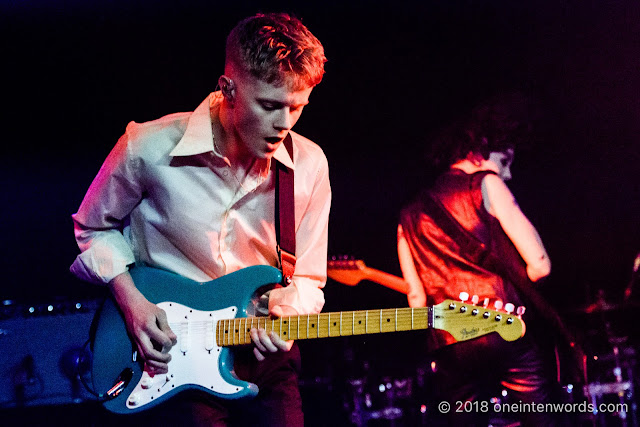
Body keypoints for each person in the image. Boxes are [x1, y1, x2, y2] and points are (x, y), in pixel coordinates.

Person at [70, 13, 330, 426]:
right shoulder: (147, 145)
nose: (283, 123)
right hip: (169, 355)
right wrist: (131, 301)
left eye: (296, 107)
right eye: (269, 105)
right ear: (227, 88)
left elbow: (310, 278)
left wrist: (287, 318)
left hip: (264, 360)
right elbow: (92, 226)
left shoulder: (309, 164)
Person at [397, 93, 566, 426]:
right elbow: (541, 265)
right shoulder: (485, 184)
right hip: (505, 327)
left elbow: (417, 301)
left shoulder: (408, 214)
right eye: (505, 161)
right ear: (481, 150)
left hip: (450, 343)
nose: (509, 174)